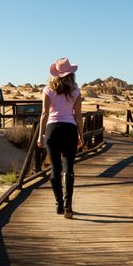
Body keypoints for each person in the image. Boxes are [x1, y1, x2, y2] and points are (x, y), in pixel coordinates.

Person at [37, 57, 84, 219]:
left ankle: (59, 204)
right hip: (69, 130)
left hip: (52, 130)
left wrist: (40, 136)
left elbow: (45, 114)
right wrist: (81, 135)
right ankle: (68, 206)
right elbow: (78, 116)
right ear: (71, 74)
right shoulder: (76, 92)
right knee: (69, 168)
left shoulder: (48, 90)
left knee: (55, 168)